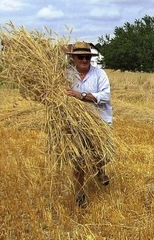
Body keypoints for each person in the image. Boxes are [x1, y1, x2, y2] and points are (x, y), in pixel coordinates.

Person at [64, 41, 113, 208]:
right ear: (74, 58)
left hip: (99, 121)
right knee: (77, 157)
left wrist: (81, 95)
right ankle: (80, 193)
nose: (84, 60)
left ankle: (100, 169)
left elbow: (105, 96)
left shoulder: (100, 74)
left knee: (99, 153)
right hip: (76, 123)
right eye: (80, 57)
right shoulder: (67, 75)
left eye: (87, 57)